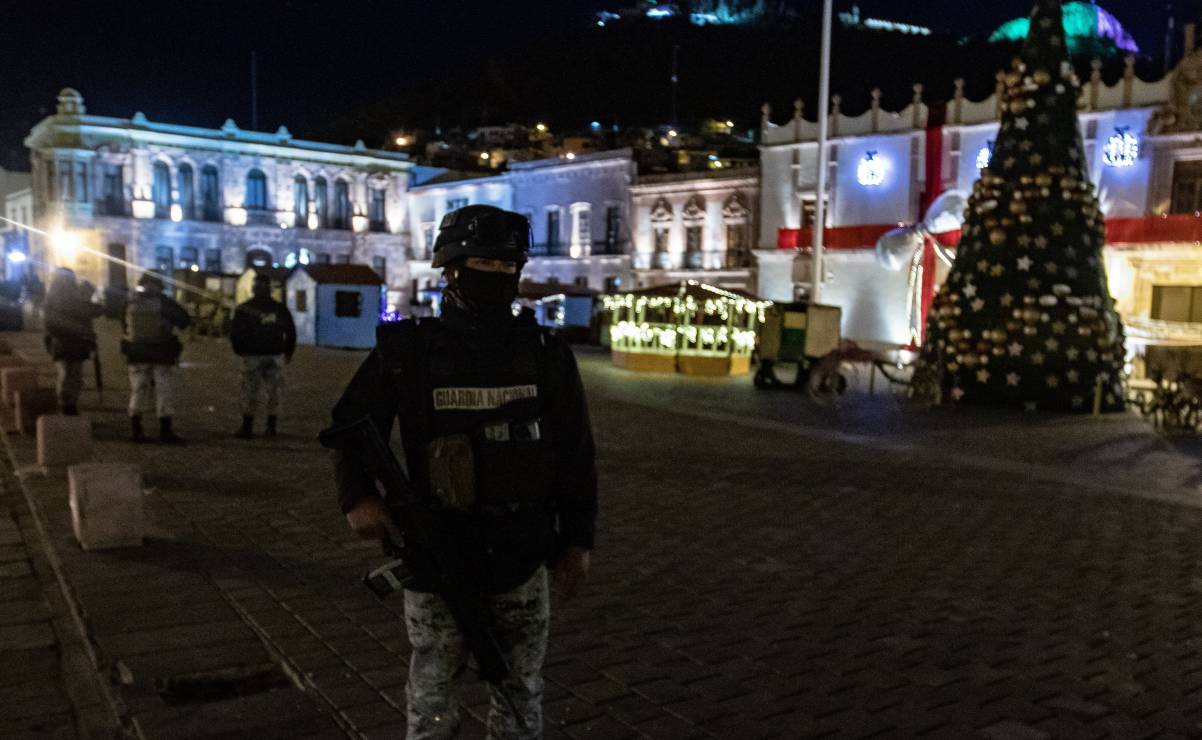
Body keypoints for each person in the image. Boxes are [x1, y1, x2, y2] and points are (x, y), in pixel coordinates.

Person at [327, 205, 597, 739]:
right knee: (433, 698)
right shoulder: (408, 350)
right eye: (481, 264)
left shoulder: (545, 353)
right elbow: (350, 427)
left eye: (505, 268)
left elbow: (575, 452)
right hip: (436, 554)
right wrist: (357, 498)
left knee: (520, 694)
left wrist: (578, 541)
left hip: (522, 554)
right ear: (449, 270)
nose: (494, 278)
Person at [121, 271, 191, 443]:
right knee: (164, 391)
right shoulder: (164, 303)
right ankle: (165, 431)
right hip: (162, 352)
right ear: (160, 286)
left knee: (137, 391)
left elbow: (124, 326)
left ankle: (137, 430)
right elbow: (184, 320)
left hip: (137, 353)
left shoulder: (130, 302)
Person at [229, 274, 296, 438]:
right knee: (274, 392)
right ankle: (271, 427)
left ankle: (247, 427)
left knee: (249, 391)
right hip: (275, 354)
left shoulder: (244, 308)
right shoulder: (279, 308)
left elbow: (235, 332)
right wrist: (288, 351)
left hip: (252, 355)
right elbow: (291, 331)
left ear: (254, 288)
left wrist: (239, 350)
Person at [43, 268, 104, 415]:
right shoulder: (64, 297)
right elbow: (91, 310)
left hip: (68, 343)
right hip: (68, 342)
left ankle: (68, 403)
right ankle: (67, 404)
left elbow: (94, 310)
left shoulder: (57, 296)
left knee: (70, 374)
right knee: (70, 374)